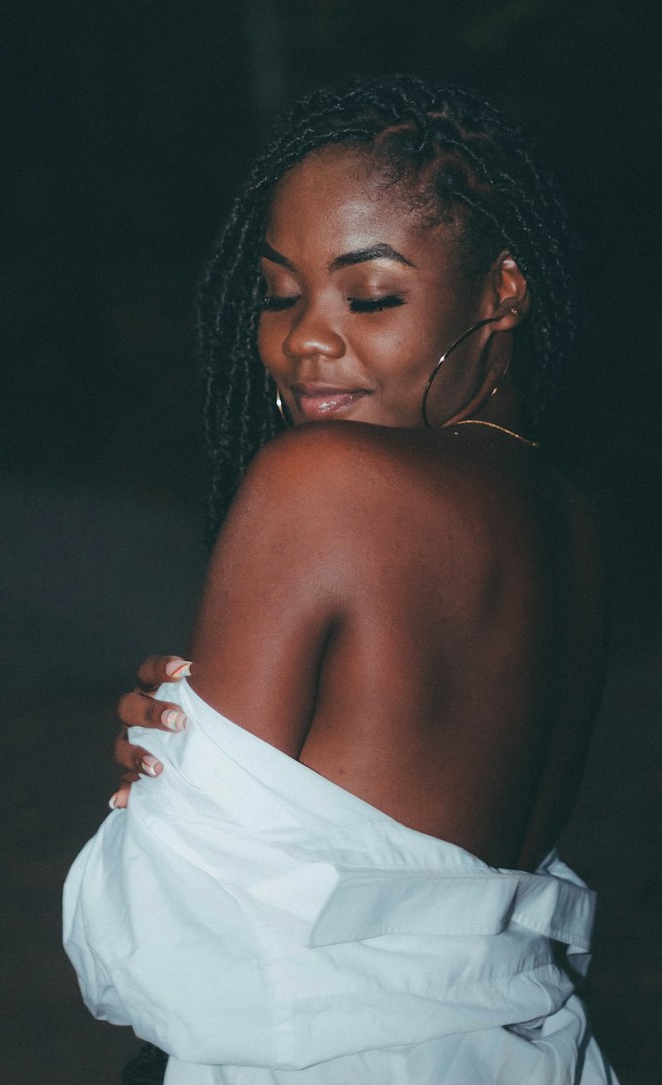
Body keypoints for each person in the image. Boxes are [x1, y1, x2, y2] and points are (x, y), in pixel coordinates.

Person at [64, 76, 617, 1084]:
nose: (304, 338)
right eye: (278, 293)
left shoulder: (321, 481)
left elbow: (153, 935)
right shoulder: (573, 525)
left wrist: (159, 792)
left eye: (369, 296)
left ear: (503, 288)